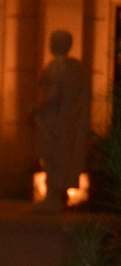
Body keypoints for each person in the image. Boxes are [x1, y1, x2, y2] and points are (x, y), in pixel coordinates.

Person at [33, 30, 91, 211]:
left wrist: (34, 109)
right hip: (68, 122)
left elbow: (53, 95)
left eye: (53, 41)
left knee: (52, 158)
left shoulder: (56, 66)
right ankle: (57, 196)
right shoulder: (77, 68)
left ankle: (53, 198)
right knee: (61, 157)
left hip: (54, 120)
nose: (50, 44)